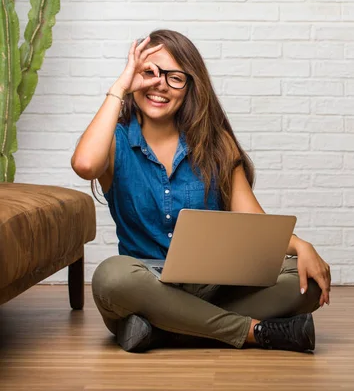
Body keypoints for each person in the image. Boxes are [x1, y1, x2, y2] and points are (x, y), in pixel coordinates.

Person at [71, 29, 331, 353]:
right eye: (148, 72)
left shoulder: (215, 143)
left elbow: (252, 220)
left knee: (306, 282)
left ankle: (160, 329)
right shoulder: (115, 142)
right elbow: (84, 165)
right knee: (111, 277)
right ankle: (253, 331)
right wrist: (119, 87)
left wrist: (300, 246)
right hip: (144, 284)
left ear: (190, 86)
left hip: (213, 285)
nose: (159, 84)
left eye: (174, 77)